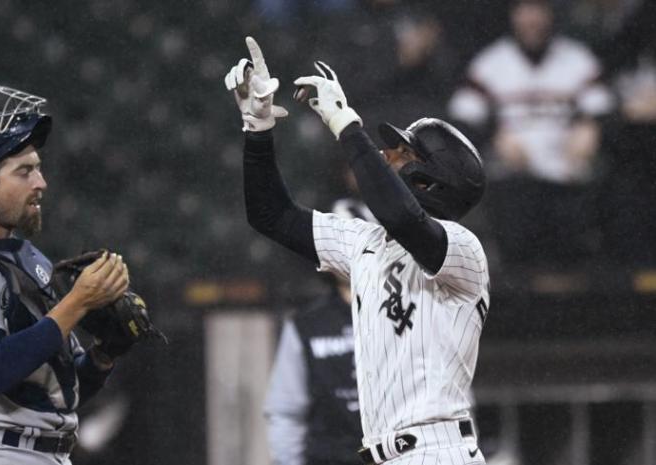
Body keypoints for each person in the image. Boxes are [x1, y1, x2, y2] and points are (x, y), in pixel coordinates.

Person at [226, 37, 490, 464]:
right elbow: (271, 215)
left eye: (403, 153)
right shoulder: (366, 242)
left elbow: (403, 217)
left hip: (439, 451)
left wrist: (348, 126)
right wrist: (257, 130)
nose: (387, 155)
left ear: (429, 181)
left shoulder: (464, 251)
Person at [0, 81, 130, 465]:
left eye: (39, 169)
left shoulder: (27, 256)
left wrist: (104, 354)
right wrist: (78, 302)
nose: (40, 183)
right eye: (24, 172)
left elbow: (58, 386)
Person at [448, 0, 613, 266]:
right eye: (525, 10)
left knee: (578, 240)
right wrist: (494, 136)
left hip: (568, 176)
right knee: (518, 228)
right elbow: (462, 117)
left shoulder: (576, 58)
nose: (532, 19)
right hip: (513, 177)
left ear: (551, 14)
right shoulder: (492, 62)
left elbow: (604, 109)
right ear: (513, 15)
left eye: (539, 10)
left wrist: (590, 126)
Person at [264, 200, 373, 465]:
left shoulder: (409, 310)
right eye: (339, 242)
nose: (348, 252)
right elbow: (286, 412)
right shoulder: (306, 325)